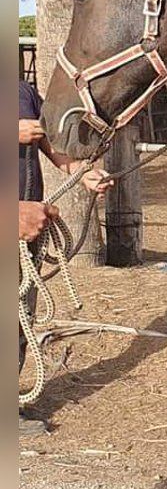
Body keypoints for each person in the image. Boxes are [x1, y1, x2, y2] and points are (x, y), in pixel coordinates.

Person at [19, 79, 110, 436]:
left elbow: (50, 144)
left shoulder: (23, 91)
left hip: (27, 231)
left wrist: (82, 173)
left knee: (19, 318)